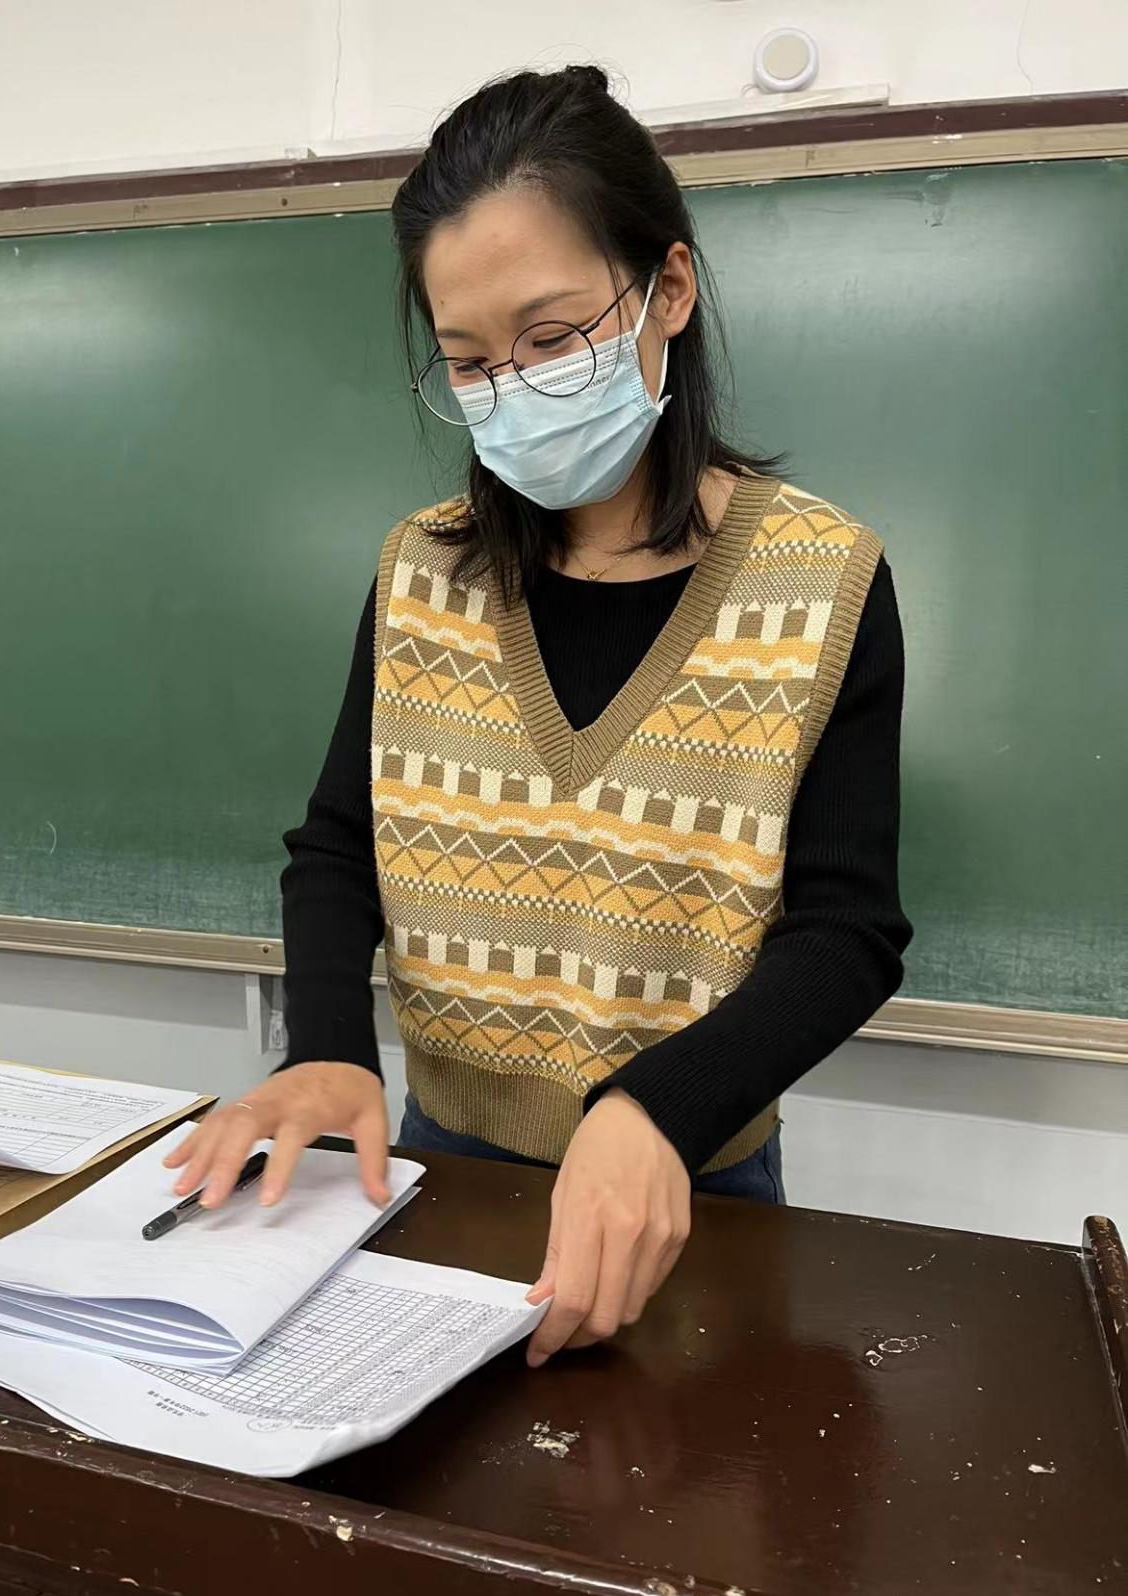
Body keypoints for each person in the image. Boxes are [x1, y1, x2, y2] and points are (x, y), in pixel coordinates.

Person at [168, 65, 911, 1367]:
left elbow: (846, 930)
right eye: (468, 361)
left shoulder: (823, 579)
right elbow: (339, 846)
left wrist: (656, 1107)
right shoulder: (424, 569)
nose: (509, 388)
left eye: (553, 337)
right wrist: (328, 1051)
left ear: (667, 291)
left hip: (689, 1174)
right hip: (438, 1159)